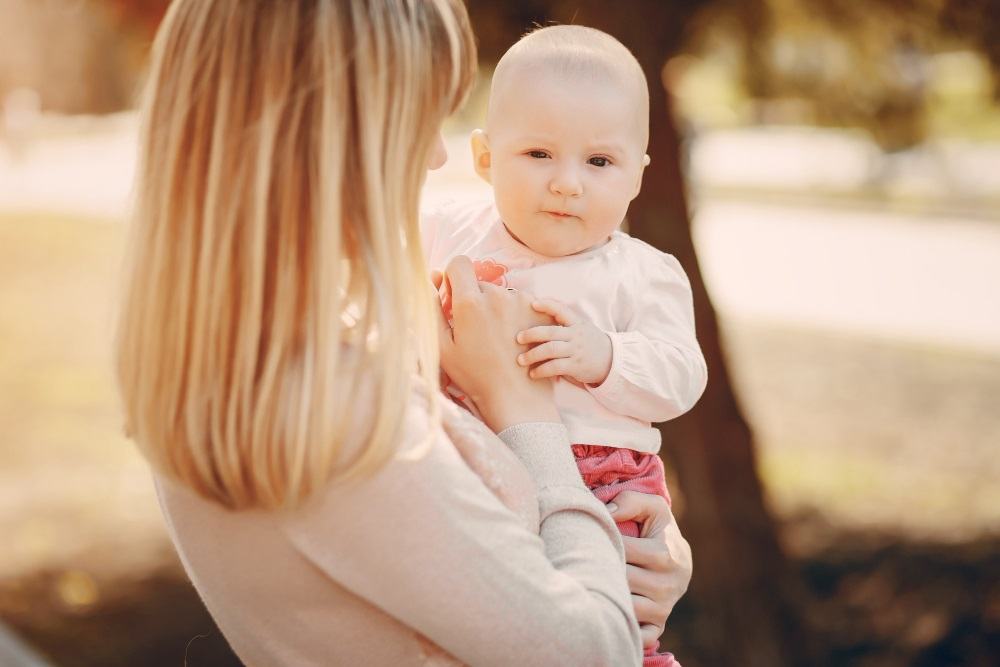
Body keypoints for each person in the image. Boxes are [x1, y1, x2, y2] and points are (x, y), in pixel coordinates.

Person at [115, 2, 692, 665]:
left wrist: (637, 552)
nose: (438, 154)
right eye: (419, 118)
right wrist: (527, 414)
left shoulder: (244, 361)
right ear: (328, 136)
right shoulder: (339, 418)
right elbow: (595, 651)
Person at [422, 25, 708, 667]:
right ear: (486, 158)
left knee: (615, 621)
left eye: (599, 162)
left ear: (637, 174)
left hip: (605, 475)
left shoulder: (643, 274)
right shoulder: (446, 232)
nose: (567, 184)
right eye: (539, 155)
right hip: (474, 460)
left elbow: (682, 376)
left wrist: (605, 356)